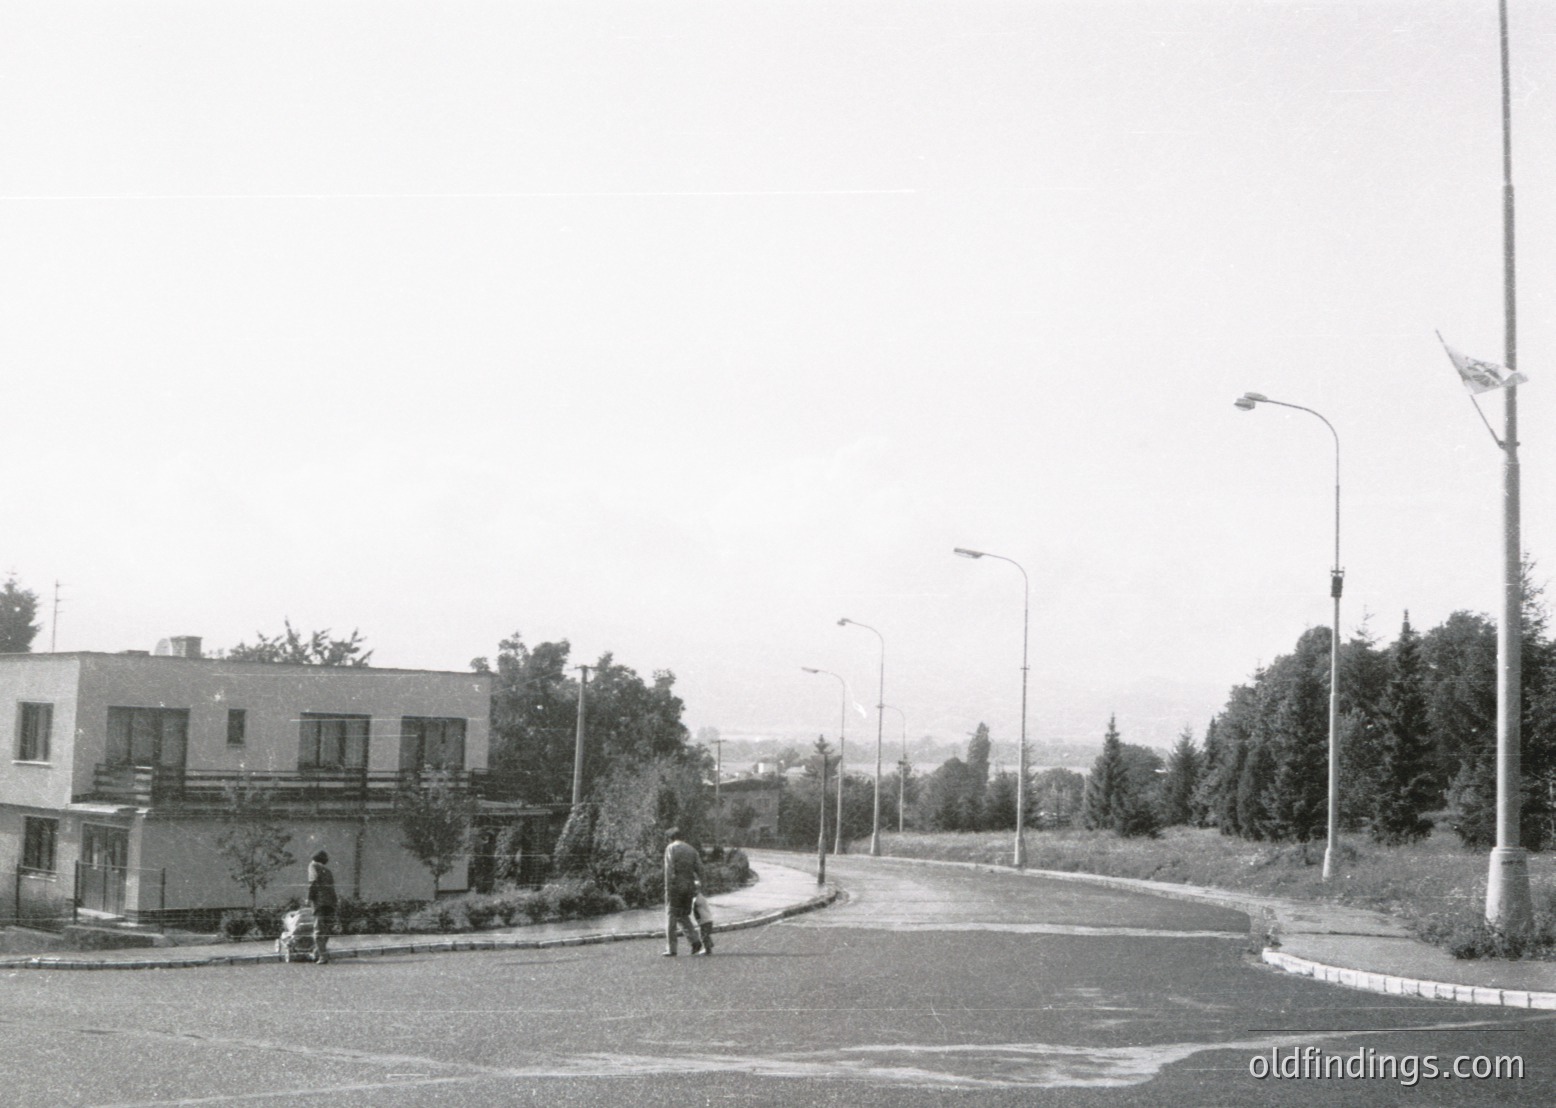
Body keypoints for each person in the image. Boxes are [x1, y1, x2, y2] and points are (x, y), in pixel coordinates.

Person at [662, 827, 703, 956]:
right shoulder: (692, 850)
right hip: (689, 886)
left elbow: (669, 869)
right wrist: (700, 886)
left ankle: (672, 948)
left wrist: (667, 888)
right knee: (682, 915)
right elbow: (700, 869)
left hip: (676, 887)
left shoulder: (671, 848)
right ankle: (695, 940)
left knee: (671, 916)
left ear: (670, 838)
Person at [307, 850, 338, 965]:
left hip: (319, 902)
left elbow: (313, 882)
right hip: (330, 903)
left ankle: (322, 956)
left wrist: (309, 898)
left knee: (318, 930)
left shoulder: (312, 866)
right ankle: (317, 952)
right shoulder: (328, 871)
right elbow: (332, 888)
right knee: (326, 929)